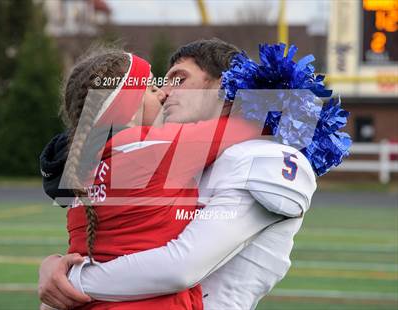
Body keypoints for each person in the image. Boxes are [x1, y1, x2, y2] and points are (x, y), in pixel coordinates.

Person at [39, 39, 350, 310]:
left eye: (178, 79)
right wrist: (54, 266)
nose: (162, 92)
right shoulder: (171, 154)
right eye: (156, 83)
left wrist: (71, 280)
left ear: (224, 86)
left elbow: (181, 266)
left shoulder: (263, 157)